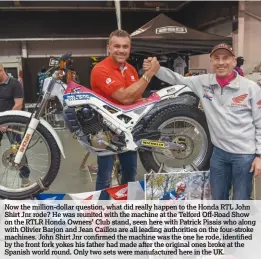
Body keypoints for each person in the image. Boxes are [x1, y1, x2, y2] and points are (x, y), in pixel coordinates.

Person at [143, 43, 261, 200]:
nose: (221, 62)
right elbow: (176, 79)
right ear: (211, 61)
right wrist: (156, 69)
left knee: (241, 200)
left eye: (225, 58)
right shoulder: (203, 82)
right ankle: (222, 225)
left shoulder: (251, 88)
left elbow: (260, 122)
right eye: (216, 58)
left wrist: (259, 155)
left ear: (233, 61)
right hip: (219, 154)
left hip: (244, 155)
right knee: (218, 198)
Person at [90, 29, 159, 199]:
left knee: (130, 172)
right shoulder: (101, 69)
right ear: (109, 48)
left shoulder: (130, 70)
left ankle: (125, 210)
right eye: (117, 46)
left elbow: (137, 96)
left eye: (125, 46)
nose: (121, 50)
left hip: (128, 128)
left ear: (130, 49)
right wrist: (149, 74)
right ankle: (102, 214)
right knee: (105, 175)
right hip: (104, 129)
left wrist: (143, 80)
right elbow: (126, 97)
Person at [0, 63, 31, 187]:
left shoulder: (14, 84)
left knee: (18, 151)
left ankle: (25, 179)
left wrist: (6, 122)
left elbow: (18, 104)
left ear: (1, 70)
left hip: (12, 123)